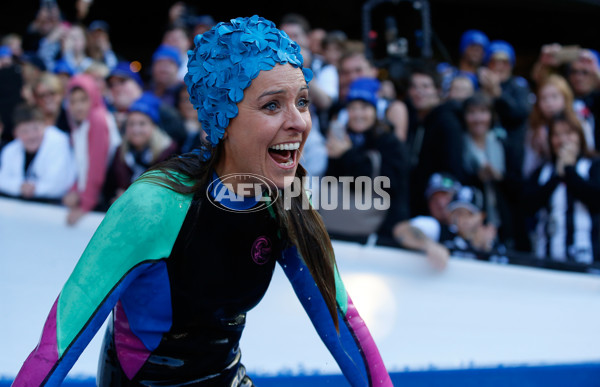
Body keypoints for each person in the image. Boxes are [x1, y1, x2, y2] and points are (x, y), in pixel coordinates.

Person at [13, 16, 392, 386]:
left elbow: (341, 322)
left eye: (303, 101)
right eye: (273, 105)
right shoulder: (153, 207)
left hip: (225, 376)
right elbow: (58, 344)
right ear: (223, 121)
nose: (300, 123)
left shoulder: (286, 200)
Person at [322, 77, 409, 244]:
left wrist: (347, 154)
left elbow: (387, 185)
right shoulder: (342, 138)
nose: (358, 114)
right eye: (352, 108)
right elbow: (331, 182)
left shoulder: (389, 142)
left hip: (379, 235)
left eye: (364, 107)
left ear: (375, 110)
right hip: (337, 229)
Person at [524, 113, 600, 264]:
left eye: (569, 133)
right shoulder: (541, 172)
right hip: (547, 257)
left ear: (580, 136)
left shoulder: (593, 167)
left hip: (587, 258)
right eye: (556, 135)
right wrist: (557, 176)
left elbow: (596, 199)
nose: (563, 140)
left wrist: (569, 171)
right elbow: (528, 206)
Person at [62, 73, 121, 225]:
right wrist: (75, 190)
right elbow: (82, 166)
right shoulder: (81, 124)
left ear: (94, 97)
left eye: (83, 100)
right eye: (73, 101)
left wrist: (85, 204)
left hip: (107, 197)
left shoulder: (97, 119)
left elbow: (96, 166)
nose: (78, 106)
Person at [105, 94, 178, 204]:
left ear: (153, 126)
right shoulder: (120, 152)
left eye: (142, 124)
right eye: (131, 124)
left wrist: (129, 197)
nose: (136, 129)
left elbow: (164, 190)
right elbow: (110, 188)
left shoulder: (168, 152)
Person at [0, 104, 75, 201]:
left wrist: (35, 189)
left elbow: (59, 185)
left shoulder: (60, 141)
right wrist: (20, 187)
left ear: (45, 126)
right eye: (25, 131)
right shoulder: (10, 150)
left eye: (36, 129)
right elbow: (2, 180)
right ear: (16, 133)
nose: (31, 136)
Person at [523, 74, 581, 178]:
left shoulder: (579, 122)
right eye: (544, 98)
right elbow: (529, 168)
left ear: (566, 98)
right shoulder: (534, 130)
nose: (549, 103)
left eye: (554, 97)